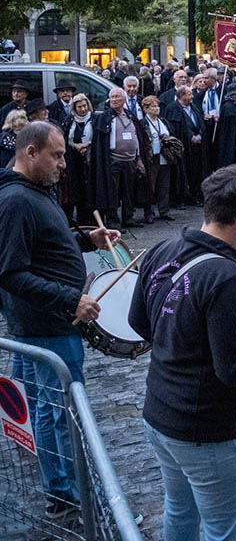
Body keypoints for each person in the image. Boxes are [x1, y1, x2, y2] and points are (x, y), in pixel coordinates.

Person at [128, 165, 236, 541]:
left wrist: (182, 342)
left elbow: (139, 323)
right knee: (224, 530)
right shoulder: (228, 280)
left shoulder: (162, 248)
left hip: (159, 414)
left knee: (180, 510)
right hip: (207, 432)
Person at [0, 121, 117, 520]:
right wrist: (70, 300)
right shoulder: (15, 201)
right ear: (30, 152)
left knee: (54, 412)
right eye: (57, 154)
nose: (64, 163)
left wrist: (88, 239)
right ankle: (72, 497)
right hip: (45, 328)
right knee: (58, 415)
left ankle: (67, 491)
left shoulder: (36, 192)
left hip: (52, 325)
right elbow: (10, 273)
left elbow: (49, 243)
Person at [90, 87, 142, 230]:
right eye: (112, 97)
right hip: (113, 160)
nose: (114, 100)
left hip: (130, 159)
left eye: (117, 97)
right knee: (112, 192)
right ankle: (113, 222)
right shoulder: (104, 117)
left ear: (124, 99)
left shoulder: (130, 115)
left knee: (128, 191)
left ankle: (128, 217)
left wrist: (138, 158)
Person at [164, 85, 206, 209]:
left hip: (196, 147)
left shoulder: (193, 108)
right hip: (183, 146)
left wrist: (200, 135)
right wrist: (190, 137)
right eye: (189, 94)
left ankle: (194, 195)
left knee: (196, 172)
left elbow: (200, 123)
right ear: (181, 96)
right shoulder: (173, 108)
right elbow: (176, 127)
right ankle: (179, 199)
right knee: (181, 172)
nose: (192, 96)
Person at [138, 95, 175, 223]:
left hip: (164, 156)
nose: (156, 109)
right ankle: (149, 212)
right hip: (151, 157)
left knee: (164, 184)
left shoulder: (163, 121)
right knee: (150, 185)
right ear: (146, 109)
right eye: (153, 106)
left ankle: (164, 210)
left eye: (157, 106)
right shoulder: (143, 123)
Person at [62, 94, 96, 224]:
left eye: (84, 106)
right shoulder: (69, 120)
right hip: (74, 160)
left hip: (90, 159)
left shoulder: (93, 119)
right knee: (78, 190)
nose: (83, 109)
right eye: (79, 107)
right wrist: (75, 146)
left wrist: (88, 145)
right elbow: (66, 139)